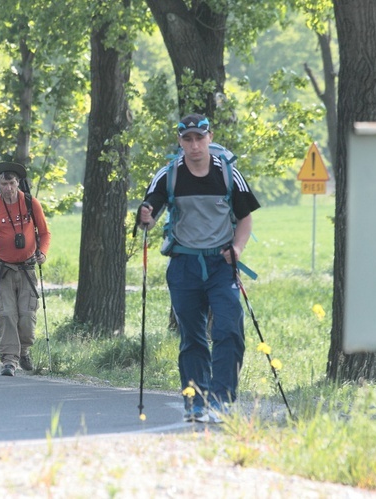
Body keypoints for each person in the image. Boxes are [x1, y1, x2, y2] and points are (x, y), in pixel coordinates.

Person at [138, 113, 260, 423]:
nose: (194, 145)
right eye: (187, 139)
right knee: (192, 337)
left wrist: (237, 248)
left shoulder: (228, 173)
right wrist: (146, 216)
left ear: (209, 137)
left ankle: (222, 401)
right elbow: (150, 209)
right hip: (184, 264)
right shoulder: (169, 174)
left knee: (229, 329)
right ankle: (195, 400)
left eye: (199, 138)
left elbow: (245, 218)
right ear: (180, 141)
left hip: (221, 263)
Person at [0, 162, 51, 376]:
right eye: (4, 184)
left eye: (12, 183)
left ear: (18, 183)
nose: (8, 188)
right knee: (6, 315)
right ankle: (9, 361)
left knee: (27, 315)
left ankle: (24, 350)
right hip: (3, 269)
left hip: (27, 268)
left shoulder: (30, 203)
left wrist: (42, 253)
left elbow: (44, 233)